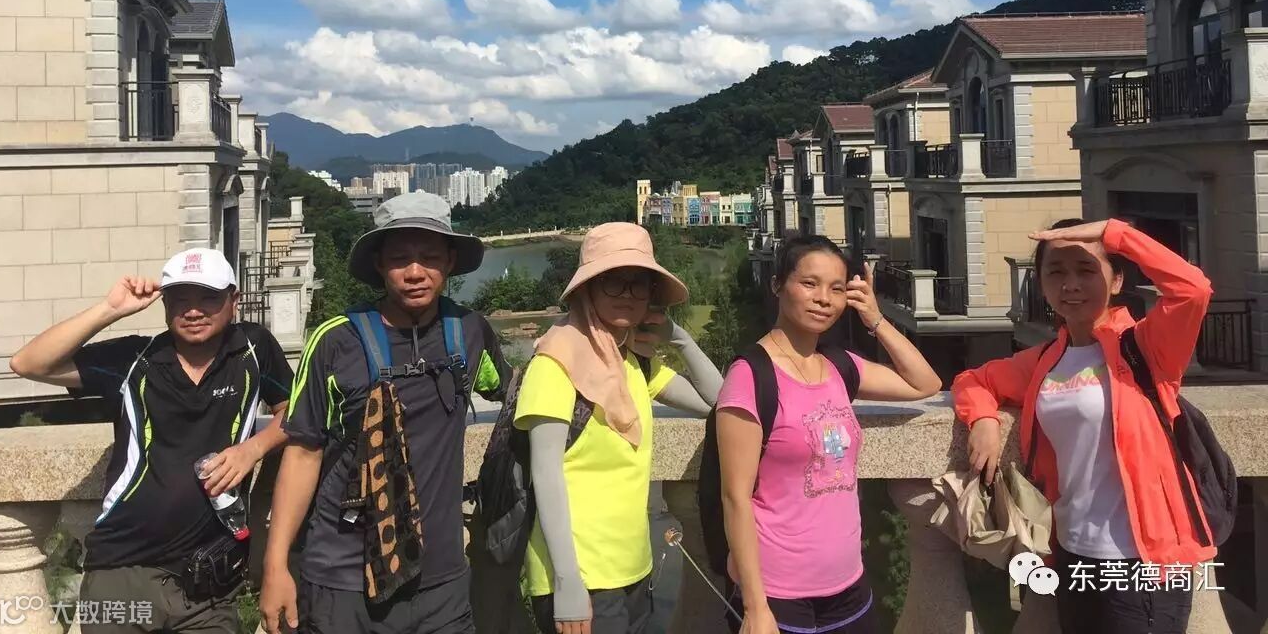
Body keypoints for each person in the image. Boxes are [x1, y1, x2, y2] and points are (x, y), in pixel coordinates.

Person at [261, 192, 511, 634]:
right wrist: (275, 565)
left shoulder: (470, 332)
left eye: (429, 257)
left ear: (450, 261)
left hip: (442, 584)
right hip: (343, 581)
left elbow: (513, 393)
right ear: (379, 264)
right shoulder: (335, 341)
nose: (415, 272)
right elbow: (302, 453)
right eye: (399, 259)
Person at [9, 248, 295, 634]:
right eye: (180, 299)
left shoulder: (253, 348)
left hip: (208, 584)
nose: (193, 311)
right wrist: (110, 309)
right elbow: (28, 363)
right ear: (165, 304)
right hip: (120, 572)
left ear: (234, 300)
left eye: (208, 298)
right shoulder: (136, 357)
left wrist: (253, 449)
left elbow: (296, 411)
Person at [952, 218, 1215, 634]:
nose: (1070, 284)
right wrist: (983, 419)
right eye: (1056, 272)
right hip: (1071, 552)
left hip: (1143, 561)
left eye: (1087, 270)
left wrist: (1114, 232)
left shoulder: (1146, 348)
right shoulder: (1045, 360)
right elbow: (972, 380)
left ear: (1116, 280)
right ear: (1041, 283)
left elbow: (1192, 289)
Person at [716, 234, 941, 634]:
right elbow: (735, 497)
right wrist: (755, 606)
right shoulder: (751, 376)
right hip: (778, 592)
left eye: (837, 289)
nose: (824, 299)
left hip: (848, 583)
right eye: (809, 283)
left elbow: (925, 383)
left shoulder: (839, 366)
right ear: (777, 284)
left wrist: (875, 318)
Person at [514, 222, 724, 634]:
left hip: (634, 568)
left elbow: (720, 403)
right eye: (613, 282)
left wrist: (680, 339)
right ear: (588, 289)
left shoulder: (632, 361)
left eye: (638, 284)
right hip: (579, 577)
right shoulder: (555, 363)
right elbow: (546, 474)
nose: (627, 294)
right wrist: (567, 584)